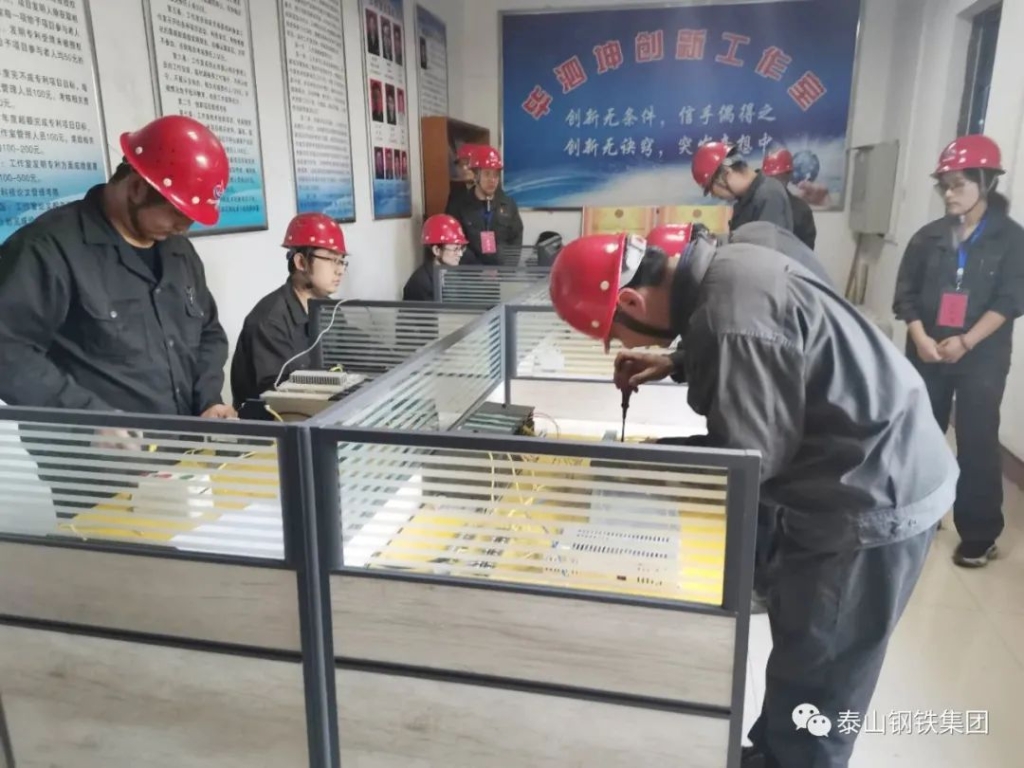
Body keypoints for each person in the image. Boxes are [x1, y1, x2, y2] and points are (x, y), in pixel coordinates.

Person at [548, 232, 957, 768]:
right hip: (868, 458)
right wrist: (678, 360)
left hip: (871, 493)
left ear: (630, 300)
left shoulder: (730, 319)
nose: (623, 342)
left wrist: (642, 461)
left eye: (615, 331)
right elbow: (780, 350)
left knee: (823, 676)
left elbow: (748, 461)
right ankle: (774, 753)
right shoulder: (734, 266)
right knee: (803, 649)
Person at [0, 114, 232, 420]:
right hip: (96, 448)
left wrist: (208, 400)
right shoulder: (48, 249)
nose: (183, 228)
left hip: (184, 440)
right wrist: (92, 420)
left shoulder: (180, 252)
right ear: (136, 188)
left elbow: (209, 332)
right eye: (177, 214)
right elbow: (9, 352)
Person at [893, 134, 1024, 568]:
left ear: (986, 183)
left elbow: (1011, 299)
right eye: (945, 186)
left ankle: (979, 533)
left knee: (977, 439)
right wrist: (921, 338)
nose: (949, 194)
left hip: (981, 357)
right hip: (928, 350)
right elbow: (905, 295)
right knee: (922, 436)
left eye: (959, 185)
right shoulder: (928, 237)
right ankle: (921, 516)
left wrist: (967, 340)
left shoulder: (1010, 239)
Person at [231, 213, 348, 410]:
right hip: (279, 422)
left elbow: (354, 354)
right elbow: (278, 396)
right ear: (301, 262)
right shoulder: (269, 321)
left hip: (323, 414)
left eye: (342, 261)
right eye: (331, 260)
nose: (340, 270)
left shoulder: (330, 310)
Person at [692, 141, 794, 234]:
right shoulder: (746, 201)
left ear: (726, 173)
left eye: (711, 188)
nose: (714, 195)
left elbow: (767, 244)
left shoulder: (769, 194)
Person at [447, 145, 523, 266]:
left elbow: (516, 238)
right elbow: (455, 243)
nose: (492, 180)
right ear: (476, 175)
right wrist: (478, 269)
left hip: (502, 271)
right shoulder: (458, 206)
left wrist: (508, 267)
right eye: (487, 174)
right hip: (471, 272)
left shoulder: (509, 205)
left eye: (495, 175)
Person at [403, 214, 468, 302]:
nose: (460, 254)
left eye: (461, 248)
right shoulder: (420, 283)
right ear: (437, 250)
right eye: (455, 249)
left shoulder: (451, 273)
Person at [762, 149, 817, 250]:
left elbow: (806, 250)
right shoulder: (754, 205)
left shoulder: (801, 210)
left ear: (789, 175)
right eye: (770, 177)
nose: (773, 182)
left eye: (778, 177)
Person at [445, 143, 481, 216]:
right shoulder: (455, 192)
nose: (464, 168)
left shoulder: (486, 191)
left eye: (468, 164)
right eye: (461, 165)